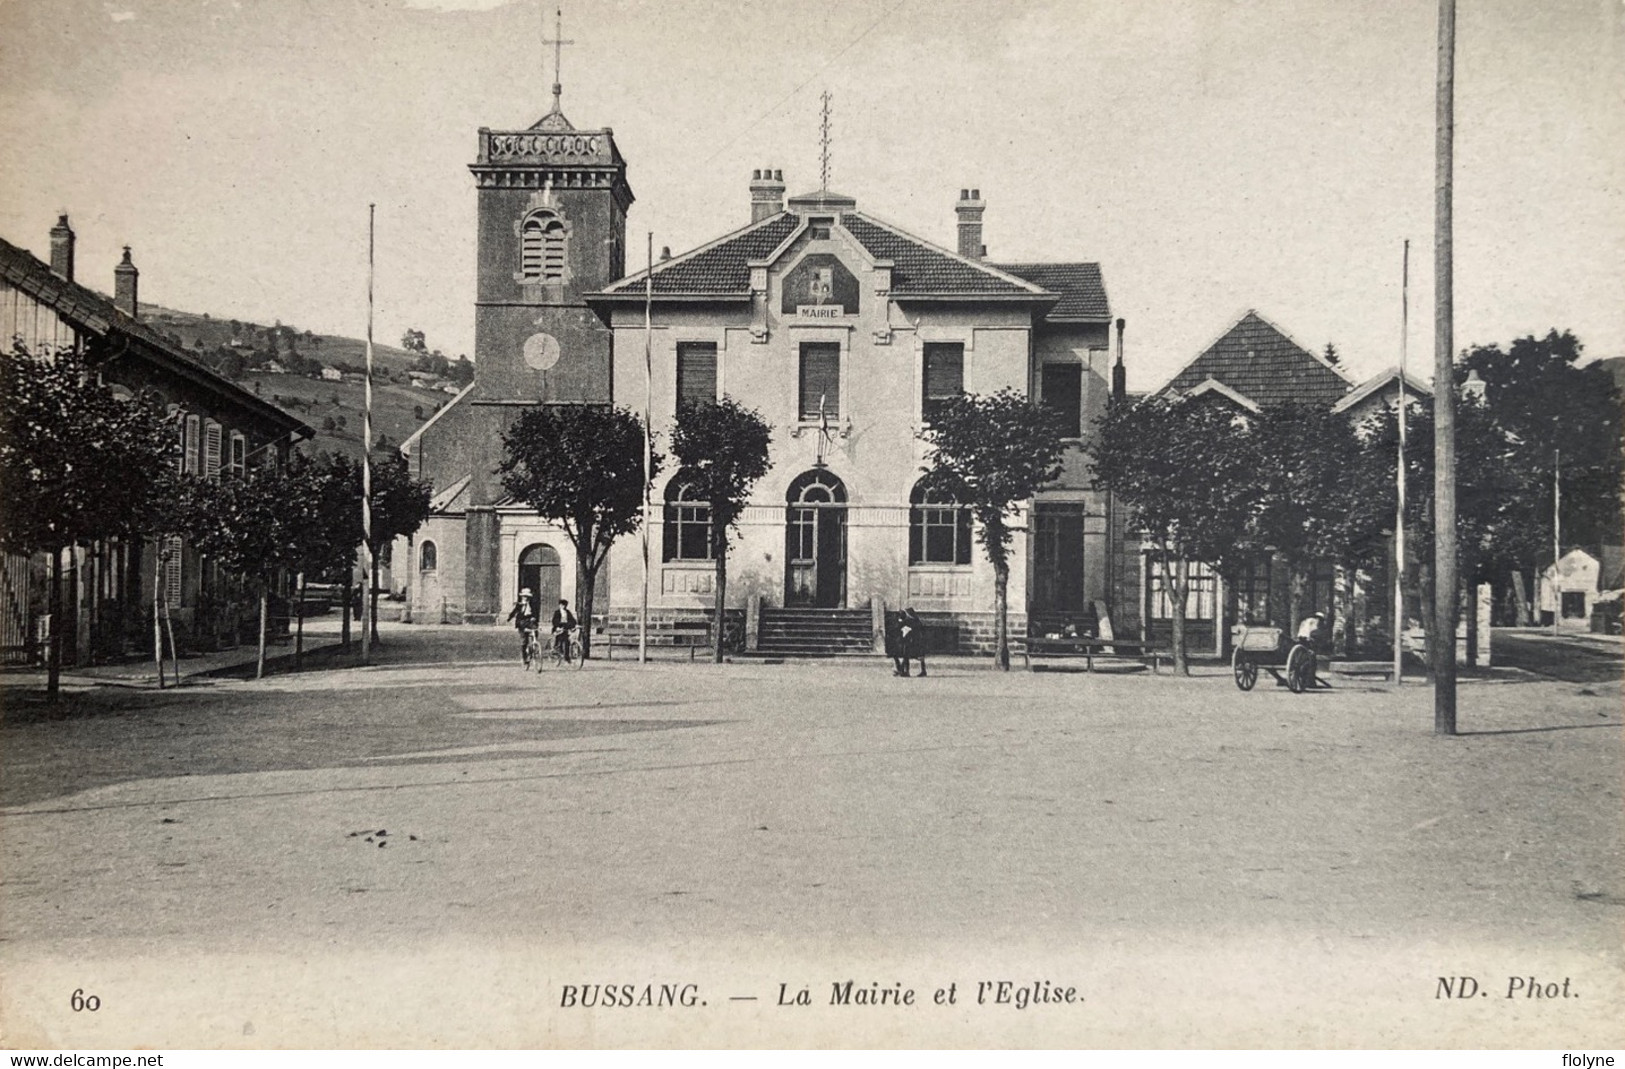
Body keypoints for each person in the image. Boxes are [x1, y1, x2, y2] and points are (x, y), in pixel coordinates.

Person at [507, 589, 538, 665]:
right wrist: (509, 618)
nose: (526, 598)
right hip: (522, 622)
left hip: (530, 621)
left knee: (535, 631)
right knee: (524, 640)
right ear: (522, 597)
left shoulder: (533, 604)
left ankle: (534, 645)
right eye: (524, 596)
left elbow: (536, 612)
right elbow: (514, 612)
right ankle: (524, 657)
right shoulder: (519, 605)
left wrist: (534, 617)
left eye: (527, 597)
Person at [899, 606, 927, 678]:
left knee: (907, 655)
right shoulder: (916, 620)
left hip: (913, 640)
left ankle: (906, 671)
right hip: (917, 640)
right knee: (919, 656)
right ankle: (922, 671)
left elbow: (902, 626)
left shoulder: (911, 621)